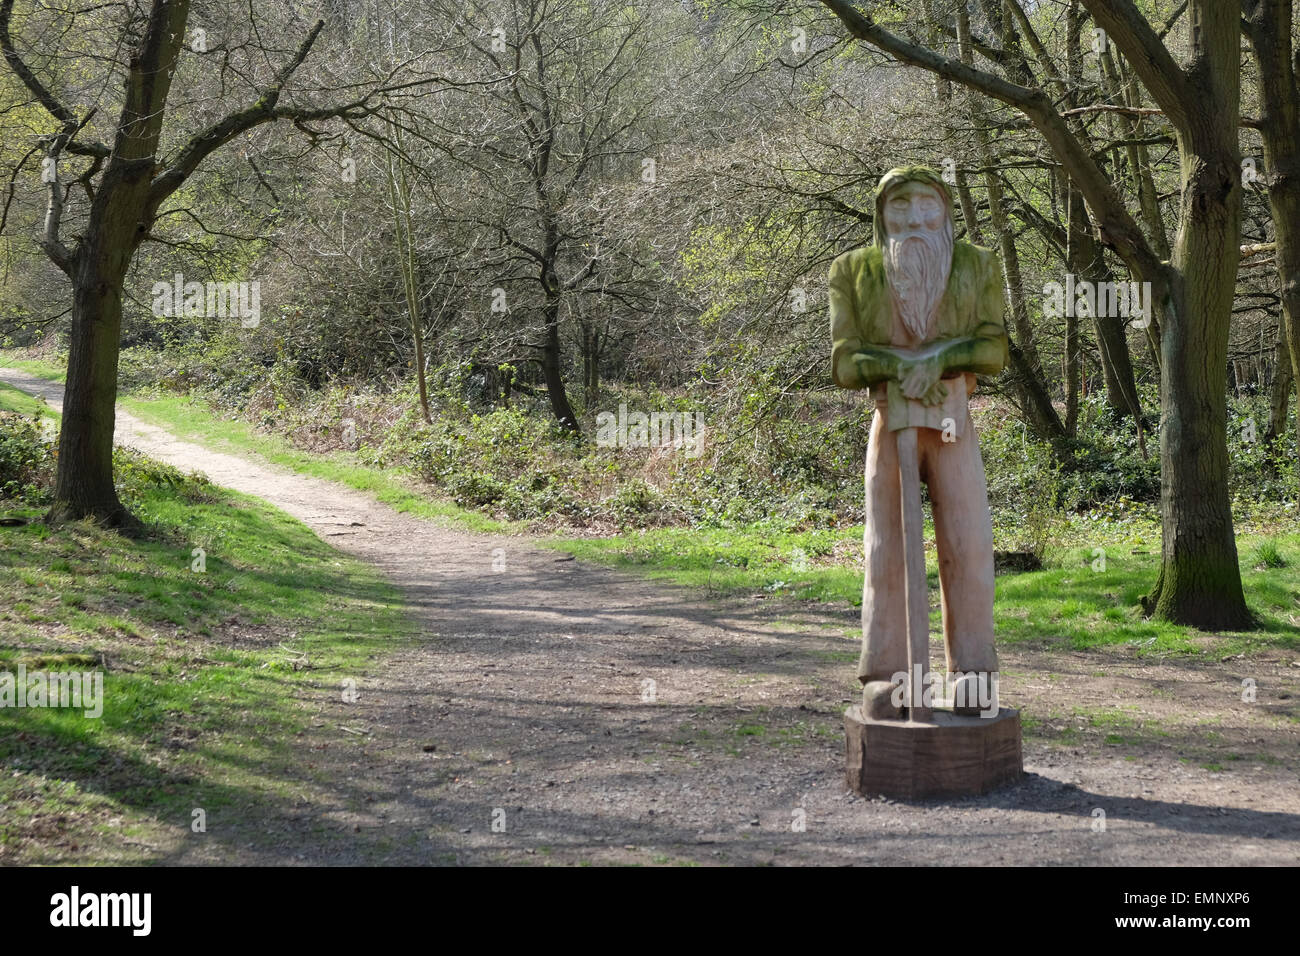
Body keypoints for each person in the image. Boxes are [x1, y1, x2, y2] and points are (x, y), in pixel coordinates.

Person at [829, 165, 1009, 718]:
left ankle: (973, 673)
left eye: (925, 204)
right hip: (891, 424)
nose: (913, 217)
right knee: (887, 549)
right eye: (899, 205)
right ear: (882, 214)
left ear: (946, 210)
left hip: (954, 423)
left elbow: (993, 350)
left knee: (969, 543)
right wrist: (899, 365)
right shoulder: (852, 270)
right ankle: (891, 675)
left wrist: (940, 360)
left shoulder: (978, 266)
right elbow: (844, 359)